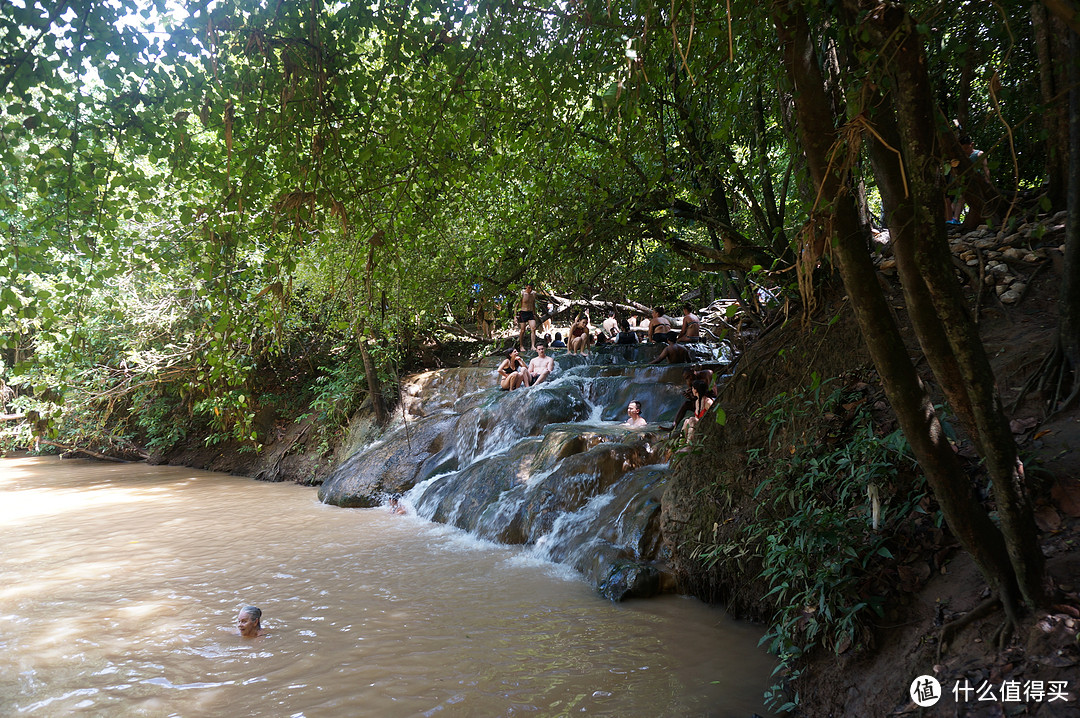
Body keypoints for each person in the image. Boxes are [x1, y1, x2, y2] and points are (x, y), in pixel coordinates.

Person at [946, 133, 990, 225]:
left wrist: (987, 180)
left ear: (972, 144)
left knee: (963, 198)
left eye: (967, 148)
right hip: (965, 182)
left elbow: (986, 168)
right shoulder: (961, 157)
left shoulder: (978, 154)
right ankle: (954, 219)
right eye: (963, 149)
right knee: (958, 200)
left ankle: (956, 218)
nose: (965, 150)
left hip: (977, 180)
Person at [517, 283, 538, 352]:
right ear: (526, 287)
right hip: (523, 312)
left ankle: (533, 345)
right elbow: (516, 305)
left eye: (531, 288)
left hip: (530, 312)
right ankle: (521, 346)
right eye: (528, 288)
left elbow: (533, 303)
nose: (530, 289)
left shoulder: (534, 293)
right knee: (523, 330)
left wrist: (535, 313)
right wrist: (515, 316)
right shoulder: (522, 293)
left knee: (533, 328)